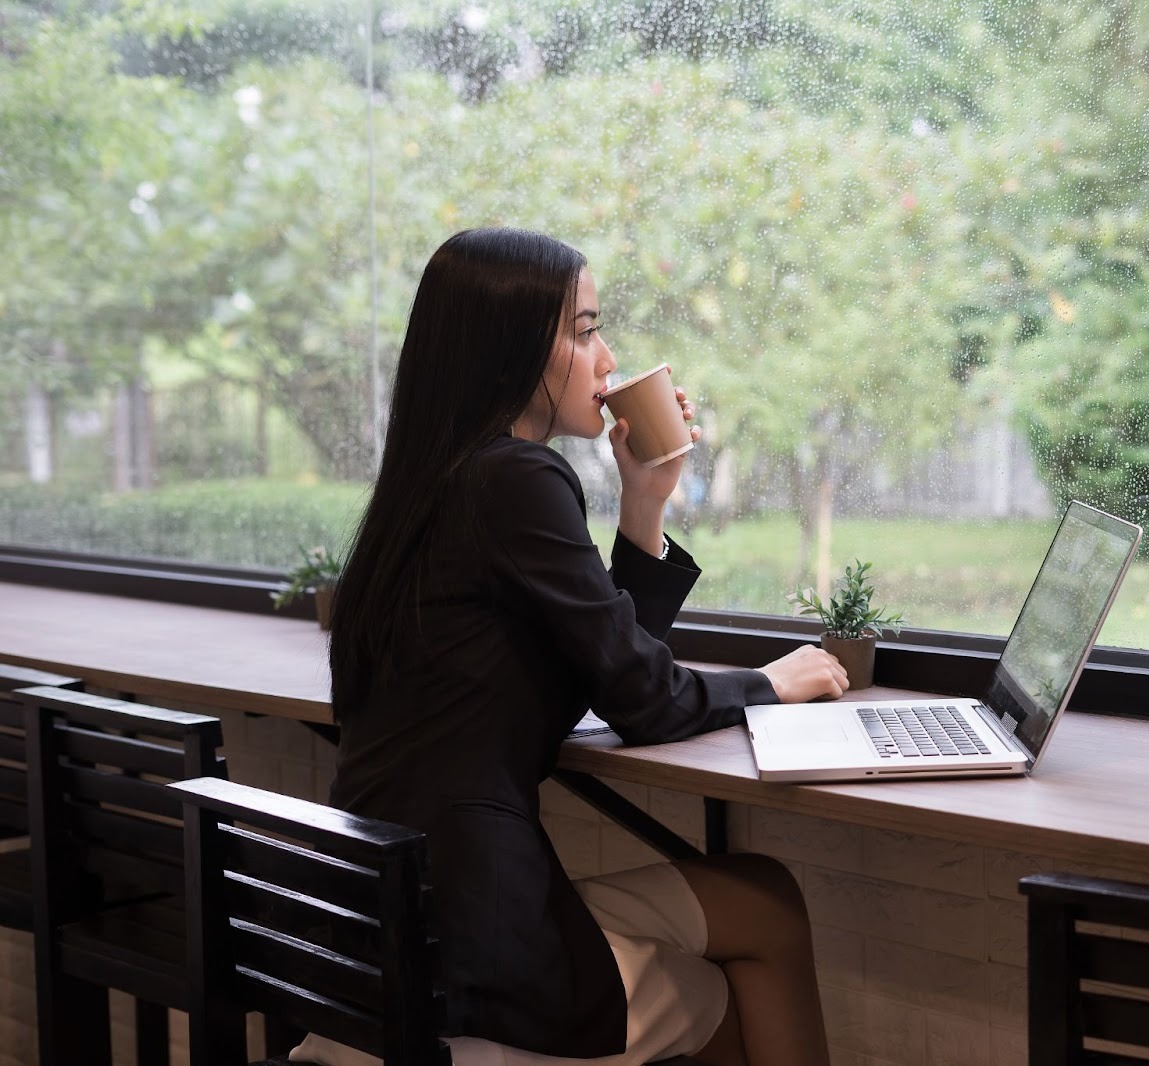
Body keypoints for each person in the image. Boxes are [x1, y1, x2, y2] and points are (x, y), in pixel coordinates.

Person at [320, 227, 846, 1066]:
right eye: (586, 330)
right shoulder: (518, 479)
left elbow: (605, 669)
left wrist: (644, 507)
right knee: (723, 977)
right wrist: (771, 683)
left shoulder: (427, 484)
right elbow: (647, 701)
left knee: (766, 898)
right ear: (514, 345)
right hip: (473, 938)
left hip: (396, 908)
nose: (607, 361)